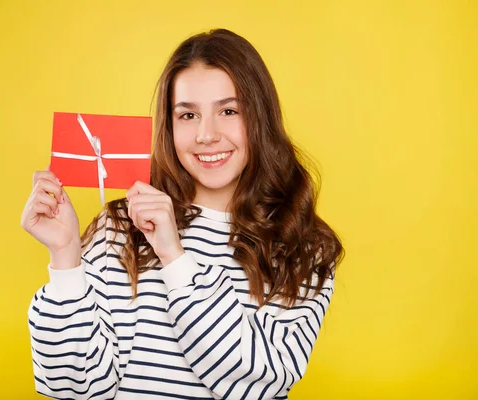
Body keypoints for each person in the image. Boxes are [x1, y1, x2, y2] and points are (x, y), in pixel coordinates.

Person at [21, 28, 343, 400]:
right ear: (169, 126)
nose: (207, 135)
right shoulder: (119, 227)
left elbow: (257, 382)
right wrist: (65, 258)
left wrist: (175, 258)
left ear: (260, 117)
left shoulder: (302, 245)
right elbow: (73, 387)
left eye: (228, 111)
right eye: (188, 115)